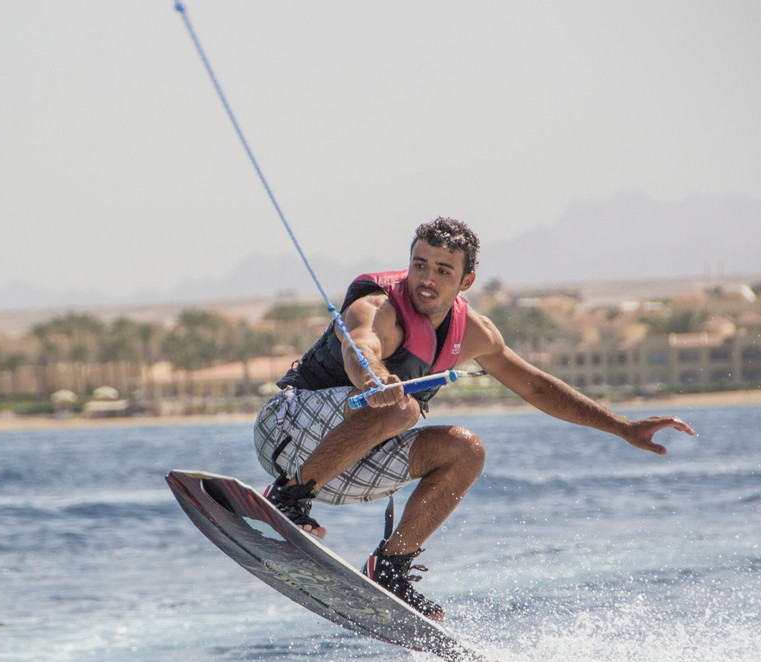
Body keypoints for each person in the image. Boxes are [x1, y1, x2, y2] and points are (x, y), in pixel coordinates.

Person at [253, 216, 695, 621]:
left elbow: (537, 387)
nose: (427, 279)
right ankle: (287, 498)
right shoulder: (376, 306)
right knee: (403, 407)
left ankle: (390, 568)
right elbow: (361, 348)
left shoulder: (475, 334)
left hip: (346, 466)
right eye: (419, 265)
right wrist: (373, 379)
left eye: (443, 270)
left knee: (467, 449)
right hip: (287, 431)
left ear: (467, 280)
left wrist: (622, 427)